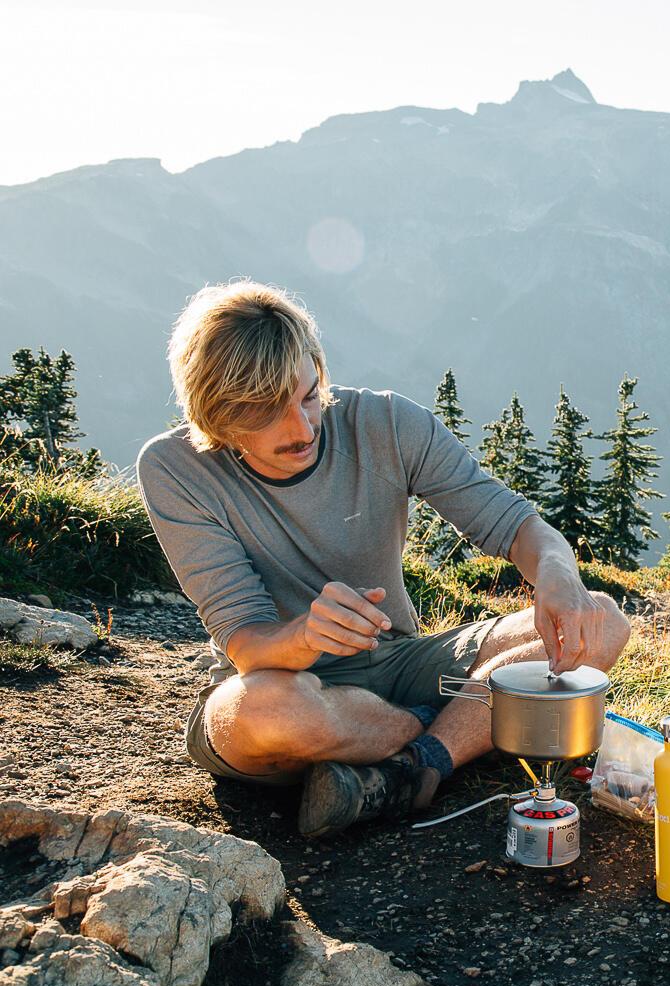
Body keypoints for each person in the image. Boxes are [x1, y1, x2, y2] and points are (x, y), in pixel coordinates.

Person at [136, 279, 631, 837]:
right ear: (216, 415)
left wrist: (558, 577)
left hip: (401, 662)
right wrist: (305, 636)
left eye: (307, 395)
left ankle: (414, 767)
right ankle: (444, 734)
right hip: (281, 683)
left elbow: (516, 525)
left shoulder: (387, 424)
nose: (302, 428)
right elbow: (244, 639)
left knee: (602, 621)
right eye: (267, 412)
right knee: (268, 713)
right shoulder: (176, 469)